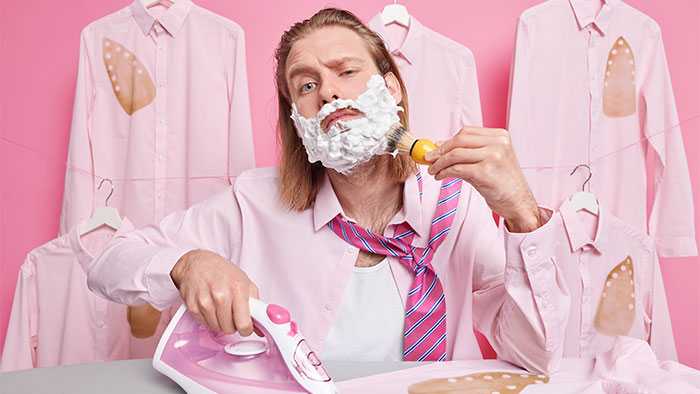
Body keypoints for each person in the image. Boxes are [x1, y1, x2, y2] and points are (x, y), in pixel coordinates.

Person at [88, 8, 570, 373]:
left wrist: (524, 217)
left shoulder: (454, 204)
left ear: (392, 88)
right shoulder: (253, 204)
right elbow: (109, 260)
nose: (329, 93)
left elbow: (533, 354)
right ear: (298, 120)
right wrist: (186, 262)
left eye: (346, 71)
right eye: (306, 85)